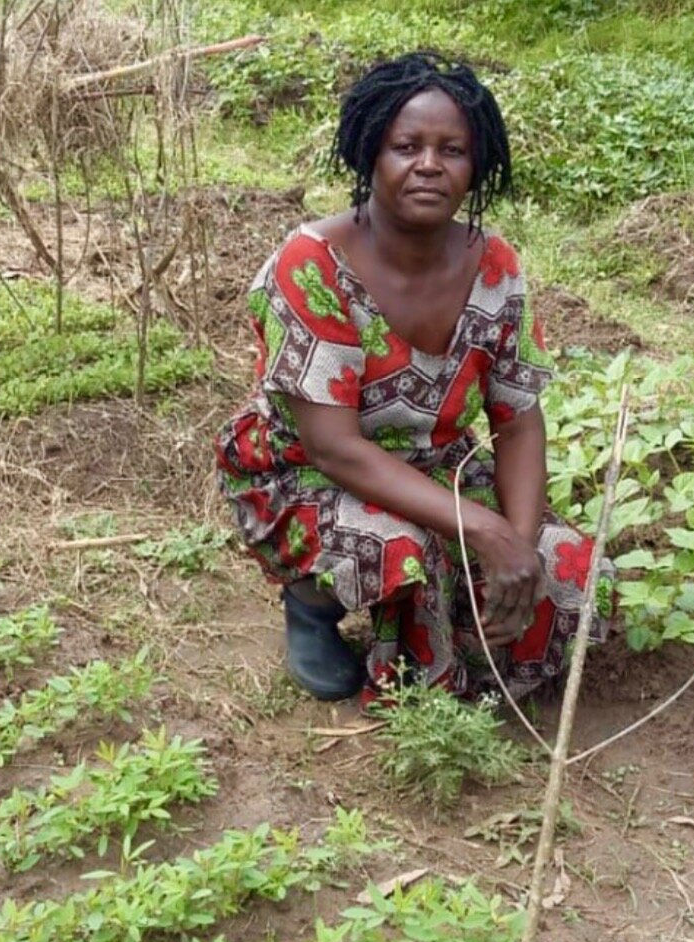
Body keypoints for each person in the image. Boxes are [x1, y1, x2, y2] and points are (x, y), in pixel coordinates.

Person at [214, 52, 610, 704]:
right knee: (403, 549)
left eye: (452, 149)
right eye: (406, 146)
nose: (429, 164)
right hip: (306, 473)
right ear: (370, 153)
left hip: (437, 464)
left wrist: (520, 542)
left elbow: (518, 422)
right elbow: (332, 447)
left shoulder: (496, 267)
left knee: (567, 567)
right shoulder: (312, 265)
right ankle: (313, 602)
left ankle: (454, 635)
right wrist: (482, 531)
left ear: (476, 165)